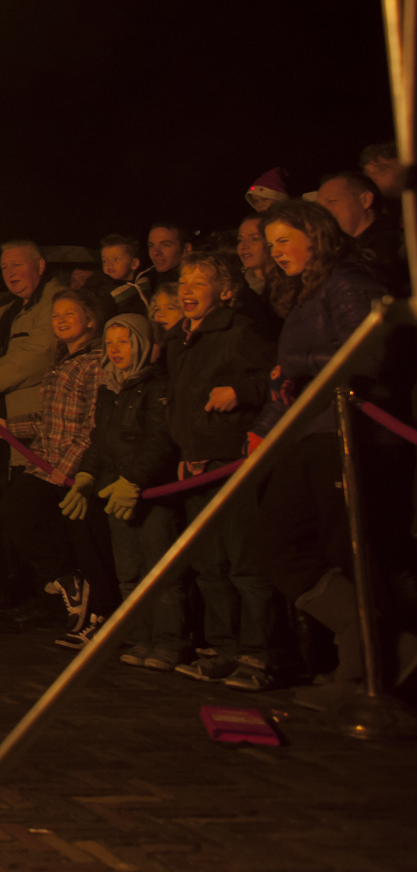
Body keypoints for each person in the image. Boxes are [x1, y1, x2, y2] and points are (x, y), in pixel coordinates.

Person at [248, 202, 417, 708]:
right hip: (312, 434)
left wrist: (297, 363)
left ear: (315, 235)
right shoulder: (308, 293)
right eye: (271, 243)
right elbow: (290, 383)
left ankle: (366, 669)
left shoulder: (348, 279)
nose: (276, 253)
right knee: (276, 542)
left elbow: (370, 351)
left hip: (354, 434)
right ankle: (383, 647)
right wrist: (263, 429)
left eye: (284, 240)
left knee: (354, 551)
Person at [160, 251, 280, 690]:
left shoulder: (240, 331)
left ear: (226, 292)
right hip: (197, 461)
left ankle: (258, 653)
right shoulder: (179, 339)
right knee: (209, 564)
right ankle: (223, 647)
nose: (187, 290)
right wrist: (185, 444)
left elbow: (279, 379)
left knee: (244, 563)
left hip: (232, 461)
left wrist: (241, 390)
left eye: (199, 282)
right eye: (183, 282)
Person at [0, 289, 117, 649]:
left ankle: (98, 614)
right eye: (56, 316)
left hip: (74, 466)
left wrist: (64, 469)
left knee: (84, 539)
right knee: (15, 512)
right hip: (46, 459)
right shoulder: (62, 360)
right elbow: (51, 419)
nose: (61, 320)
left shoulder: (95, 362)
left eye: (69, 314)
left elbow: (92, 423)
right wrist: (9, 427)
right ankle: (65, 580)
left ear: (91, 320)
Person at [82, 312, 185, 672]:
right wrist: (85, 473)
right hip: (114, 491)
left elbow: (160, 439)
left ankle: (169, 642)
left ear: (140, 343)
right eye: (110, 343)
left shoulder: (157, 385)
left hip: (151, 492)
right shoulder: (109, 387)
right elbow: (100, 437)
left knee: (160, 572)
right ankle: (142, 636)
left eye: (123, 341)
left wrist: (134, 479)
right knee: (129, 572)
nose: (115, 349)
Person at [0, 242, 62, 464]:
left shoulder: (58, 301)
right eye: (5, 267)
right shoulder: (4, 312)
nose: (10, 272)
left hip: (35, 435)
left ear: (39, 265)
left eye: (17, 264)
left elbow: (41, 352)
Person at [316, 169, 409, 297]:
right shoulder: (334, 250)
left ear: (365, 200)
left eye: (331, 201)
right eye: (319, 207)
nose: (322, 212)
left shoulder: (395, 245)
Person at [147, 225, 189, 292]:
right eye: (151, 246)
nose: (156, 252)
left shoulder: (193, 287)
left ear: (186, 249)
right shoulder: (145, 283)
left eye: (166, 245)